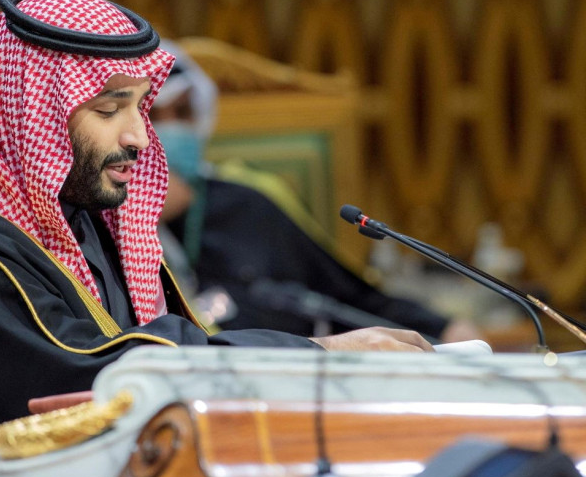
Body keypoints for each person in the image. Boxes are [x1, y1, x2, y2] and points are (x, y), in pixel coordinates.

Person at [0, 0, 432, 477]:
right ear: (36, 116)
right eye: (109, 110)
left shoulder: (82, 221)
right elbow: (101, 379)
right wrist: (314, 355)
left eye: (140, 108)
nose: (141, 138)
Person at [153, 40, 481, 343]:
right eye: (153, 115)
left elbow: (345, 298)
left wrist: (442, 328)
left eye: (183, 113)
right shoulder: (106, 221)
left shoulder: (246, 203)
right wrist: (145, 218)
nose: (172, 129)